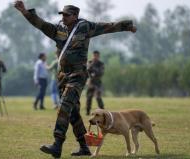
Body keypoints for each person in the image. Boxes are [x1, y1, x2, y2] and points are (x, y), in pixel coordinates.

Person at [14, 1, 137, 158]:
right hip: (62, 76)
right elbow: (42, 25)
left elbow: (107, 27)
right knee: (73, 113)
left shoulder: (85, 27)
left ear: (75, 16)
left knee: (64, 106)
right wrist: (24, 12)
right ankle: (84, 147)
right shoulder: (59, 29)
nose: (63, 17)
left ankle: (57, 145)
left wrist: (128, 26)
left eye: (66, 15)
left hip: (77, 76)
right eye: (62, 15)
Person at [86, 50, 105, 116]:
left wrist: (94, 69)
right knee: (89, 97)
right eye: (94, 55)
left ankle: (103, 111)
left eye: (97, 56)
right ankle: (87, 112)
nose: (95, 57)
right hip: (90, 82)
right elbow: (87, 71)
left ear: (99, 56)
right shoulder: (90, 62)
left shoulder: (101, 64)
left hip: (97, 83)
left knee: (98, 97)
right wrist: (92, 65)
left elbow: (101, 73)